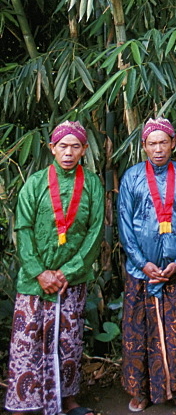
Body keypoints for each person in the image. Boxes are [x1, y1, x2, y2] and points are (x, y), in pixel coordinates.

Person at [5, 121, 104, 415]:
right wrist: (39, 271)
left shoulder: (92, 184)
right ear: (52, 149)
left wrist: (67, 272)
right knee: (29, 341)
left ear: (85, 150)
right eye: (63, 146)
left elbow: (95, 232)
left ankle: (68, 398)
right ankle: (25, 402)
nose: (69, 153)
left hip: (70, 280)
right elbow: (22, 228)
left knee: (68, 340)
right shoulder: (35, 183)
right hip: (35, 280)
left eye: (76, 146)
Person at [118, 118, 176, 413]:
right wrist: (142, 262)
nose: (158, 149)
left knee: (174, 332)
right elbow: (125, 224)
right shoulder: (131, 177)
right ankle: (139, 390)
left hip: (174, 270)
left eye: (163, 142)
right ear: (143, 146)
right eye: (151, 143)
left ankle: (173, 387)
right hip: (141, 270)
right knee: (137, 331)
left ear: (173, 143)